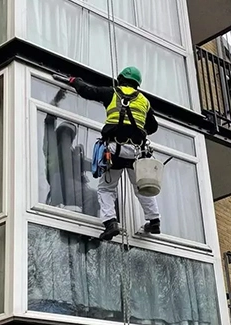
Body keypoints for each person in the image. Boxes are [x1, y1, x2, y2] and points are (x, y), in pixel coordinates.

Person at [63, 67, 161, 241]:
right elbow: (153, 126)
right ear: (137, 84)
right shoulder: (144, 101)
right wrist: (137, 131)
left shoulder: (112, 92)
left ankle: (110, 223)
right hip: (136, 152)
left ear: (121, 78)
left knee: (106, 188)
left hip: (115, 149)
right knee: (141, 186)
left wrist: (75, 81)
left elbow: (88, 91)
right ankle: (154, 221)